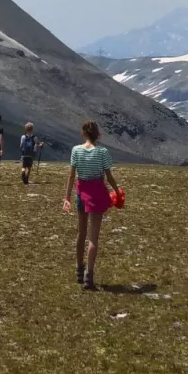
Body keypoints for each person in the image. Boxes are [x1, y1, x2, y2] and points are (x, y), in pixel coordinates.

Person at [62, 120, 121, 290]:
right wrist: (117, 191)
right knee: (93, 238)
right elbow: (108, 176)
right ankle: (89, 275)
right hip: (98, 194)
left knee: (81, 233)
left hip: (82, 193)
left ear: (83, 133)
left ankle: (79, 269)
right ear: (97, 135)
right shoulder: (103, 152)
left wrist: (67, 197)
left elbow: (72, 176)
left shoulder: (76, 150)